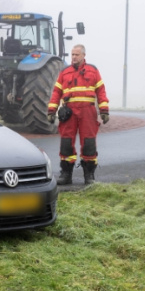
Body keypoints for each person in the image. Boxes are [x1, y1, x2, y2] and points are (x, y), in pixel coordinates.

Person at [47, 44, 109, 185]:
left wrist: (104, 110)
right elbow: (56, 92)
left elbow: (101, 91)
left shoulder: (93, 71)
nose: (74, 57)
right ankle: (66, 174)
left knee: (88, 143)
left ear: (83, 55)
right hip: (69, 113)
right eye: (72, 54)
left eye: (76, 55)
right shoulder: (65, 72)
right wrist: (51, 110)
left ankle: (89, 175)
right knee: (66, 143)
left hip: (88, 113)